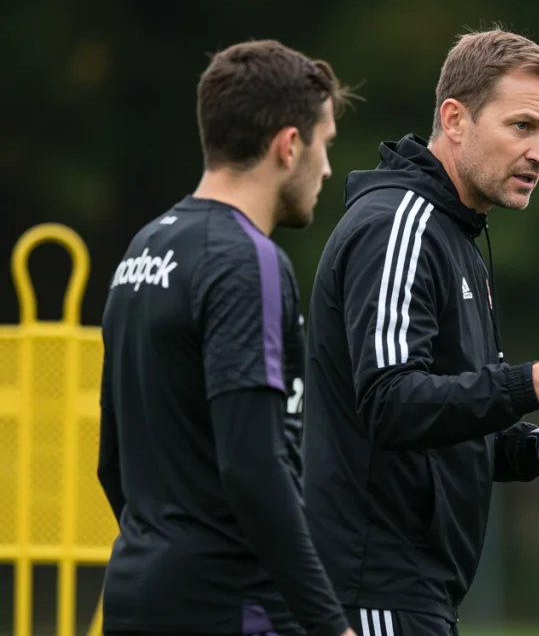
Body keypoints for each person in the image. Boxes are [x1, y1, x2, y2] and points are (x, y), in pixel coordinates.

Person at [300, 28, 539, 636]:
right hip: (373, 591)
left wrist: (536, 448)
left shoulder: (455, 233)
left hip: (417, 594)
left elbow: (441, 420)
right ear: (455, 120)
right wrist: (531, 384)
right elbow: (388, 403)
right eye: (522, 126)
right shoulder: (399, 227)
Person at [97, 39, 359, 636]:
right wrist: (330, 625)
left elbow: (112, 459)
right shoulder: (247, 259)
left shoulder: (145, 247)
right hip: (229, 605)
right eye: (324, 144)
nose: (326, 168)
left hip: (136, 592)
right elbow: (254, 467)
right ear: (288, 145)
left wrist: (164, 553)